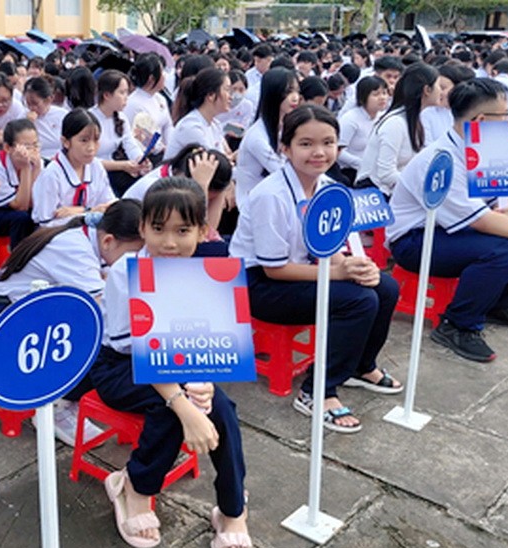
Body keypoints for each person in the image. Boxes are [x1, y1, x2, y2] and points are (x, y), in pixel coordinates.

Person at [90, 176, 250, 548]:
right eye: (158, 229)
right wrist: (186, 405)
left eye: (183, 230)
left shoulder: (207, 272)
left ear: (202, 231)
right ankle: (135, 487)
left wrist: (203, 383)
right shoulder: (127, 272)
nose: (169, 242)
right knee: (170, 410)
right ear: (142, 227)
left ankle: (232, 510)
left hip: (179, 364)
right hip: (121, 367)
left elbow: (206, 341)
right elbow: (144, 352)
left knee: (223, 410)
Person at [232, 104, 403, 433]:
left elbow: (327, 247)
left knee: (385, 287)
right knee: (358, 301)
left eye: (327, 142)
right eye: (306, 143)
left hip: (304, 272)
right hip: (259, 285)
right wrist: (338, 273)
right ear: (286, 148)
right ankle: (317, 392)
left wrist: (351, 265)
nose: (319, 152)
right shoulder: (271, 195)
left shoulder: (326, 187)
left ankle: (361, 367)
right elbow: (274, 270)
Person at [388, 79, 508, 362]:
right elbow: (479, 220)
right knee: (506, 249)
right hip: (415, 240)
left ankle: (497, 305)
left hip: (451, 231)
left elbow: (495, 202)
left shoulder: (483, 146)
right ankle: (457, 324)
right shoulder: (441, 160)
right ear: (482, 119)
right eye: (505, 116)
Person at [0, 200, 143, 444]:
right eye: (134, 253)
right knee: (102, 339)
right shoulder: (75, 248)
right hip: (8, 318)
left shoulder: (90, 239)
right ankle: (58, 404)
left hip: (34, 310)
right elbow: (102, 307)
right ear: (109, 241)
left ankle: (68, 397)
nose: (137, 260)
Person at [356, 63, 441, 195]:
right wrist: (424, 187)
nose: (441, 91)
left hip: (396, 191)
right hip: (376, 196)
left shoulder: (416, 119)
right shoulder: (395, 123)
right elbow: (385, 174)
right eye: (439, 86)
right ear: (427, 90)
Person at [32, 109, 116, 227]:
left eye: (96, 140)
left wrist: (82, 211)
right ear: (66, 142)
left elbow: (109, 205)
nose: (91, 147)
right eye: (84, 140)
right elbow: (46, 223)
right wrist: (89, 212)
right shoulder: (51, 174)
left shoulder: (96, 166)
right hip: (56, 236)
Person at [235, 67, 301, 207]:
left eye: (297, 91)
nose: (295, 97)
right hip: (253, 204)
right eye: (288, 91)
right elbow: (282, 171)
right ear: (274, 93)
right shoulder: (257, 136)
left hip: (276, 197)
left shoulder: (284, 126)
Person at [91, 70, 149, 196]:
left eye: (127, 92)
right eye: (122, 92)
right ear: (107, 95)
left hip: (116, 172)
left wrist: (140, 160)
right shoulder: (89, 119)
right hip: (93, 175)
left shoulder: (121, 118)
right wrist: (122, 166)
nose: (126, 97)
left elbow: (130, 144)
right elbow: (88, 160)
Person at [0, 119, 39, 248]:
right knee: (21, 218)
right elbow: (20, 206)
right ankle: (17, 261)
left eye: (35, 145)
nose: (32, 151)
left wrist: (36, 169)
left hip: (19, 209)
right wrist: (26, 168)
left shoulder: (38, 161)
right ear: (7, 148)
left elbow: (33, 203)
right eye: (26, 146)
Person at [166, 68, 232, 160]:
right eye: (227, 90)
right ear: (211, 95)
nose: (231, 97)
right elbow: (216, 162)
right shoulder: (191, 126)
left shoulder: (214, 124)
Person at [337, 76, 387, 185]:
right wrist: (363, 164)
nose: (382, 97)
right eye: (376, 94)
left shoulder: (383, 117)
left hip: (374, 169)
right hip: (350, 170)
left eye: (384, 93)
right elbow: (338, 152)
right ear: (363, 97)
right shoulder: (350, 119)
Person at [124, 53, 173, 161]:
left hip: (164, 152)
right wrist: (162, 149)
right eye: (162, 72)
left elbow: (168, 125)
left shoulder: (160, 98)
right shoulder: (133, 104)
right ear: (151, 78)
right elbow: (144, 138)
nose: (165, 76)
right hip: (146, 156)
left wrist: (170, 147)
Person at [23, 76, 67, 160]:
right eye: (28, 104)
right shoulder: (23, 117)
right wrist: (27, 124)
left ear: (48, 100)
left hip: (59, 158)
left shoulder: (62, 115)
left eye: (35, 104)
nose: (31, 108)